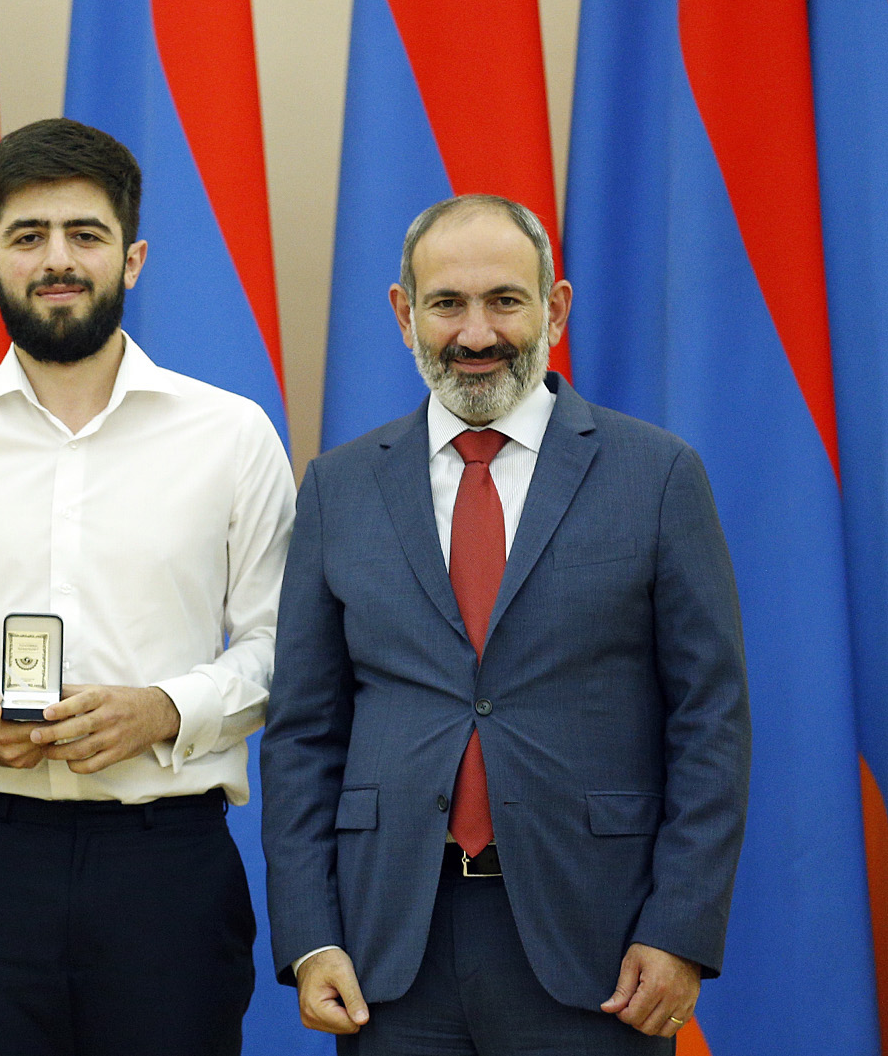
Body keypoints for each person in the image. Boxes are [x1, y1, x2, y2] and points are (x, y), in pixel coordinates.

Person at [261, 194, 751, 1055]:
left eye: (505, 301)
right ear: (404, 314)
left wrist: (680, 927)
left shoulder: (658, 475)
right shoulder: (339, 488)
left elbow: (710, 721)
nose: (477, 333)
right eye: (447, 303)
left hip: (598, 946)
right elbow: (303, 733)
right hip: (389, 949)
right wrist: (309, 935)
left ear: (555, 309)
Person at [0, 117, 295, 1056]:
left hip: (169, 868)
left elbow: (279, 646)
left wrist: (165, 710)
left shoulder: (231, 435)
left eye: (85, 234)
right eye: (28, 236)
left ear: (131, 258)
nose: (57, 259)